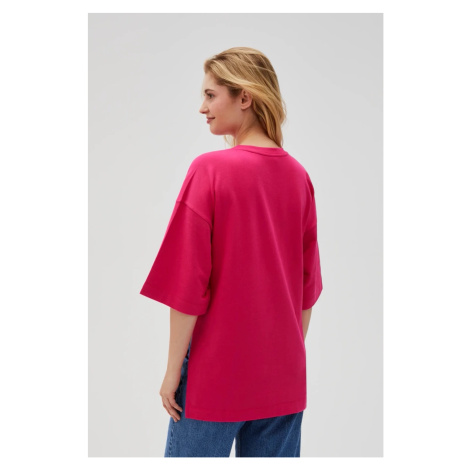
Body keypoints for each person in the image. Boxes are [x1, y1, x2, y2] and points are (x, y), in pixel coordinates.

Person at [140, 46, 323, 457]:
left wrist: (172, 373)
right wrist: (282, 361)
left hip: (215, 377)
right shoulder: (299, 176)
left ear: (245, 97)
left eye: (210, 95)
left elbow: (187, 286)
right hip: (283, 381)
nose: (202, 107)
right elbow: (307, 288)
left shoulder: (210, 170)